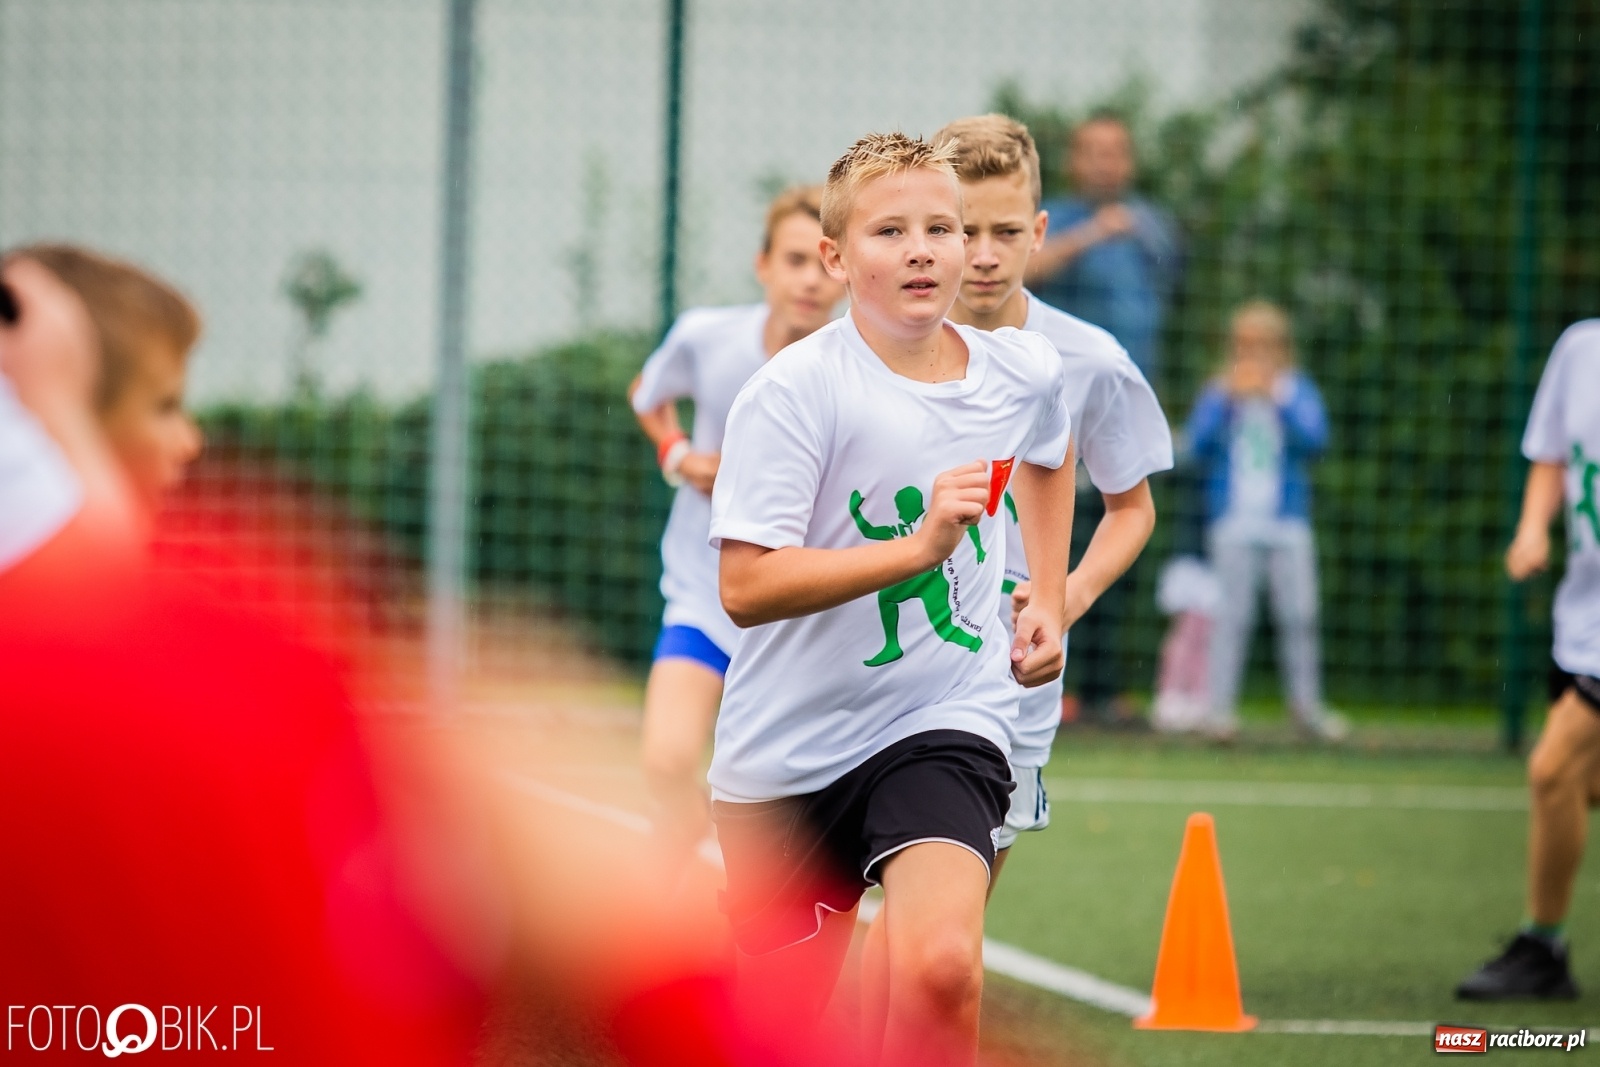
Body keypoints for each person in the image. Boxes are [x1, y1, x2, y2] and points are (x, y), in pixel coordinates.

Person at [707, 132, 1075, 1066]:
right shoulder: (792, 394)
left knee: (943, 967)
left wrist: (1052, 593)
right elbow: (745, 586)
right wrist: (917, 549)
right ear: (835, 259)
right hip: (785, 751)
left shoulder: (1020, 370)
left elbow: (1049, 451)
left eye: (940, 228)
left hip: (943, 713)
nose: (923, 248)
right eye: (891, 231)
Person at [924, 113, 1171, 882]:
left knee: (953, 928)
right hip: (898, 657)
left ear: (1039, 229)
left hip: (1014, 675)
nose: (987, 255)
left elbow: (1133, 508)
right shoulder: (882, 346)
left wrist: (1063, 597)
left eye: (1006, 231)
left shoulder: (1091, 360)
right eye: (965, 232)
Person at [628, 186, 845, 857]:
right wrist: (679, 456)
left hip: (797, 608)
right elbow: (647, 393)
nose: (809, 279)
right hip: (703, 590)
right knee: (666, 759)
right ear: (763, 267)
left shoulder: (854, 366)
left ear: (842, 269)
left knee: (777, 804)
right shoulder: (707, 337)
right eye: (793, 260)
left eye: (822, 263)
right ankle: (686, 830)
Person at [1456, 320, 1600, 1001]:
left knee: (1553, 768)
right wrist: (1531, 528)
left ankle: (1542, 943)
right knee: (1580, 783)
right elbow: (1552, 456)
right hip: (1584, 615)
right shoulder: (1579, 349)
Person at [1023, 112, 1181, 725]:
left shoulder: (1153, 225)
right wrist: (1092, 234)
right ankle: (1059, 682)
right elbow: (1031, 271)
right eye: (1093, 152)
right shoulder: (1057, 220)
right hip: (1062, 409)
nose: (1105, 164)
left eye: (1116, 152)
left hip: (1122, 404)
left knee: (1126, 535)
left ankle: (1110, 692)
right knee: (1059, 539)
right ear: (1074, 161)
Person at [1185, 300, 1343, 741]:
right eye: (1243, 344)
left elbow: (1316, 440)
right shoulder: (1220, 391)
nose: (1251, 353)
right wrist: (1229, 402)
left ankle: (1306, 709)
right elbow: (1197, 445)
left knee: (1300, 616)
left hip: (1287, 524)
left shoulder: (1296, 389)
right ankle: (1218, 713)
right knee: (1230, 618)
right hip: (1233, 523)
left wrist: (1275, 397)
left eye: (1261, 345)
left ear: (1280, 347)